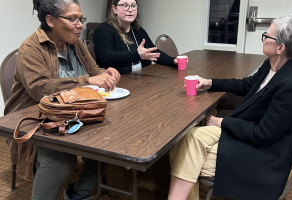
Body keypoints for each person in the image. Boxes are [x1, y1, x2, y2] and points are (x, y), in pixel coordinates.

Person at [167, 14, 292, 200]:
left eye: (266, 36)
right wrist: (210, 82)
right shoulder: (275, 65)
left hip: (264, 156)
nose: (262, 38)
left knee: (185, 151)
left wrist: (222, 122)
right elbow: (247, 85)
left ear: (280, 47)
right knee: (188, 138)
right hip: (249, 129)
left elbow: (264, 134)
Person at [4, 0, 120, 199]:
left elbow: (94, 71)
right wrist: (89, 80)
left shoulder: (77, 44)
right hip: (37, 120)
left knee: (111, 141)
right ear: (50, 20)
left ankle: (77, 193)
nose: (80, 25)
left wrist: (106, 74)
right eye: (72, 19)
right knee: (60, 161)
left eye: (81, 19)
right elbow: (40, 88)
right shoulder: (31, 48)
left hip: (75, 114)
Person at [93, 0, 178, 74]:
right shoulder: (103, 30)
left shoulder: (138, 30)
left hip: (140, 80)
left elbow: (153, 51)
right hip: (116, 84)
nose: (130, 10)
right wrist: (137, 55)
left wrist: (173, 61)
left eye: (133, 6)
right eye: (125, 5)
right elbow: (107, 58)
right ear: (114, 9)